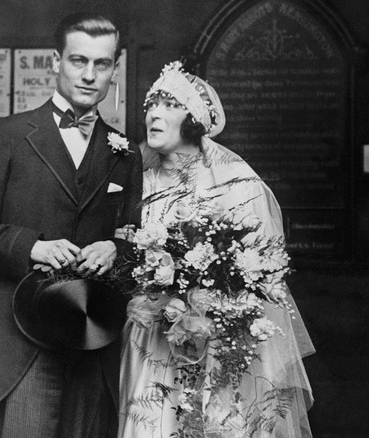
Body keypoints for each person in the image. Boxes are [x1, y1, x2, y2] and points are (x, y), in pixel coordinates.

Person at [0, 12, 142, 437]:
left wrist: (116, 249)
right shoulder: (8, 134)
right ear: (56, 61)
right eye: (78, 61)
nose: (90, 75)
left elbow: (137, 242)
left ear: (115, 69)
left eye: (102, 64)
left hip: (95, 341)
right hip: (23, 339)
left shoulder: (125, 153)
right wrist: (31, 247)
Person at [117, 61, 314, 437]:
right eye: (150, 105)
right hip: (154, 338)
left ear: (193, 117)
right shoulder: (135, 183)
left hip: (223, 344)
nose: (153, 114)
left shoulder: (238, 185)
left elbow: (262, 273)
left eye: (169, 104)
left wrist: (216, 307)